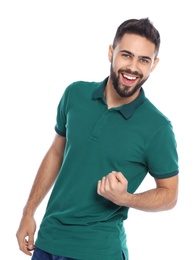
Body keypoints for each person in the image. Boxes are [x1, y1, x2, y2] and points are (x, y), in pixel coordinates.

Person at [16, 18, 179, 260]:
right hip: (47, 243)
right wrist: (28, 211)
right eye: (126, 55)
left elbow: (169, 195)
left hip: (98, 251)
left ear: (153, 65)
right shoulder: (75, 94)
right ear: (111, 52)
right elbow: (56, 153)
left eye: (143, 60)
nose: (133, 67)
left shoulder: (157, 128)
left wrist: (126, 198)